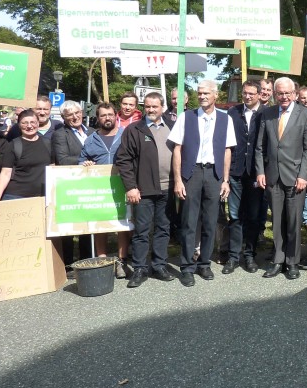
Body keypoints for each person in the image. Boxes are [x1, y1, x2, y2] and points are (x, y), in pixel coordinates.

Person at [168, 80, 236, 287]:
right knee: (189, 222)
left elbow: (227, 151)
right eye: (200, 93)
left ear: (216, 95)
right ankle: (187, 267)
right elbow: (177, 149)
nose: (203, 96)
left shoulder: (225, 119)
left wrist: (225, 180)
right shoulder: (186, 117)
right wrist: (178, 180)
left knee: (210, 221)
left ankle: (204, 264)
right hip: (193, 172)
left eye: (206, 93)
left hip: (214, 174)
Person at [255, 77, 307, 279]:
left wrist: (304, 175)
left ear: (295, 94)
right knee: (278, 222)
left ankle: (293, 262)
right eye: (279, 93)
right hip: (273, 176)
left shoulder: (305, 114)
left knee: (293, 222)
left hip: (296, 177)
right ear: (274, 94)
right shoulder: (267, 114)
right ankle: (278, 260)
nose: (283, 97)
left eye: (287, 93)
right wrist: (261, 171)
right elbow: (260, 147)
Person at [115, 92, 176, 288]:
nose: (150, 110)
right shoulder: (135, 129)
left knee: (163, 229)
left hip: (168, 188)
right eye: (147, 106)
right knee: (141, 231)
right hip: (143, 189)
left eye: (154, 107)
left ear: (162, 107)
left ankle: (159, 265)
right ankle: (140, 268)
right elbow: (123, 160)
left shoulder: (172, 127)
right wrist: (131, 187)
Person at [223, 80, 266, 275]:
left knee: (253, 216)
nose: (247, 96)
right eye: (245, 93)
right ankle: (233, 256)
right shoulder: (233, 112)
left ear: (259, 94)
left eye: (251, 93)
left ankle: (249, 255)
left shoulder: (267, 113)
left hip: (257, 173)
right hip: (236, 171)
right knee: (234, 216)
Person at [78, 103, 124, 264]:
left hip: (122, 185)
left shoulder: (126, 135)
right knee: (100, 224)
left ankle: (122, 260)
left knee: (123, 223)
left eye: (110, 114)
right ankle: (102, 259)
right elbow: (81, 161)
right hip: (99, 188)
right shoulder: (91, 140)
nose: (107, 118)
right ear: (98, 118)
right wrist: (85, 165)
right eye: (103, 115)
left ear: (115, 116)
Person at [52, 100, 93, 272]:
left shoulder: (91, 131)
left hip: (90, 184)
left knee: (87, 223)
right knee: (70, 226)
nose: (75, 117)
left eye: (77, 113)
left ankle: (87, 260)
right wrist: (84, 161)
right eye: (70, 115)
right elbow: (62, 159)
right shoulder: (60, 134)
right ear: (63, 117)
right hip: (70, 184)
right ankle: (68, 264)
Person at [0, 109, 52, 202]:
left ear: (38, 123)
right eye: (24, 123)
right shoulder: (13, 145)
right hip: (16, 196)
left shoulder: (48, 143)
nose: (29, 126)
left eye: (32, 122)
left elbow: (53, 168)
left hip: (42, 196)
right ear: (18, 125)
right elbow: (6, 172)